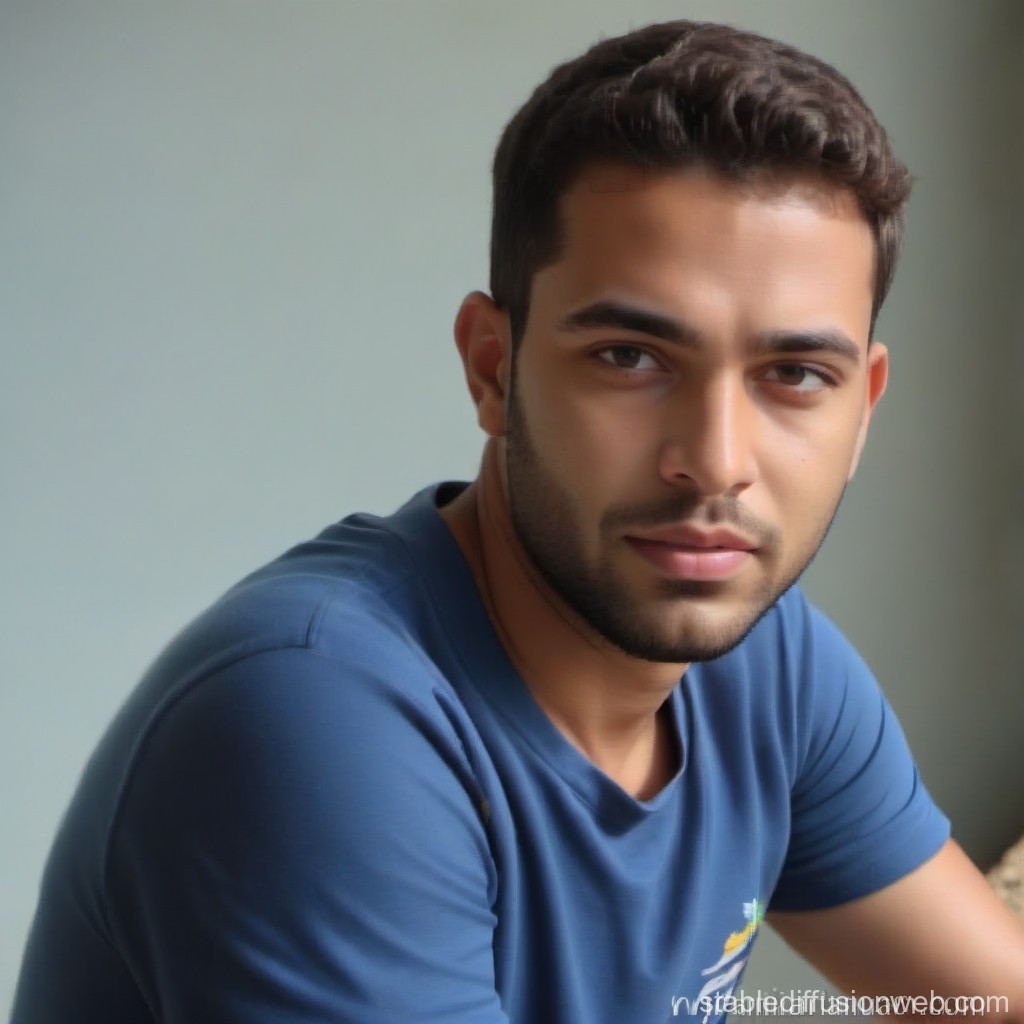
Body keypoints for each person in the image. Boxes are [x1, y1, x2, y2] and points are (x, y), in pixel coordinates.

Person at [12, 19, 1024, 1024]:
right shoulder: (317, 718)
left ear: (863, 413)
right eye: (631, 356)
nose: (715, 460)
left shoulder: (765, 667)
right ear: (493, 369)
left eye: (795, 376)